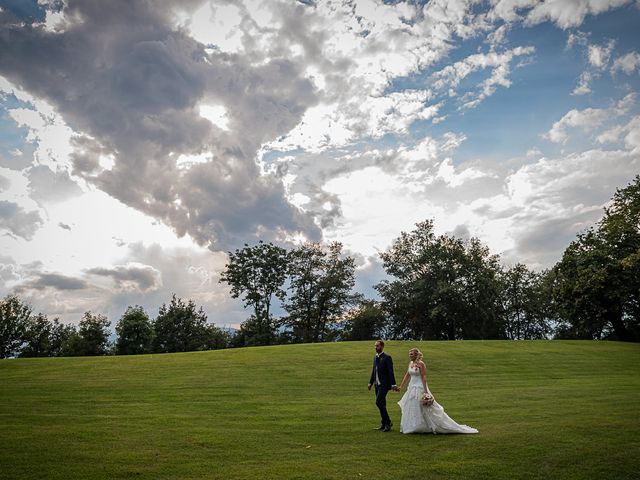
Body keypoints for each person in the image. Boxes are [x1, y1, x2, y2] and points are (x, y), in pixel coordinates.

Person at [396, 347, 478, 434]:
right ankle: (414, 426)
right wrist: (401, 386)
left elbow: (423, 377)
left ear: (416, 355)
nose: (410, 356)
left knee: (424, 406)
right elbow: (407, 375)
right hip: (411, 387)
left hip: (420, 386)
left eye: (411, 354)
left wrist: (425, 391)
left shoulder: (421, 364)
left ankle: (430, 425)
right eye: (409, 354)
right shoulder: (410, 363)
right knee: (412, 406)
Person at [368, 339, 397, 432]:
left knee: (378, 402)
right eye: (375, 346)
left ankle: (388, 422)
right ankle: (384, 423)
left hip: (384, 384)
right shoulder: (375, 357)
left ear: (382, 346)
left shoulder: (387, 357)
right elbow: (374, 371)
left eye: (377, 346)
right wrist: (370, 382)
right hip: (377, 385)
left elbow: (390, 372)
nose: (376, 347)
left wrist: (393, 384)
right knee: (382, 403)